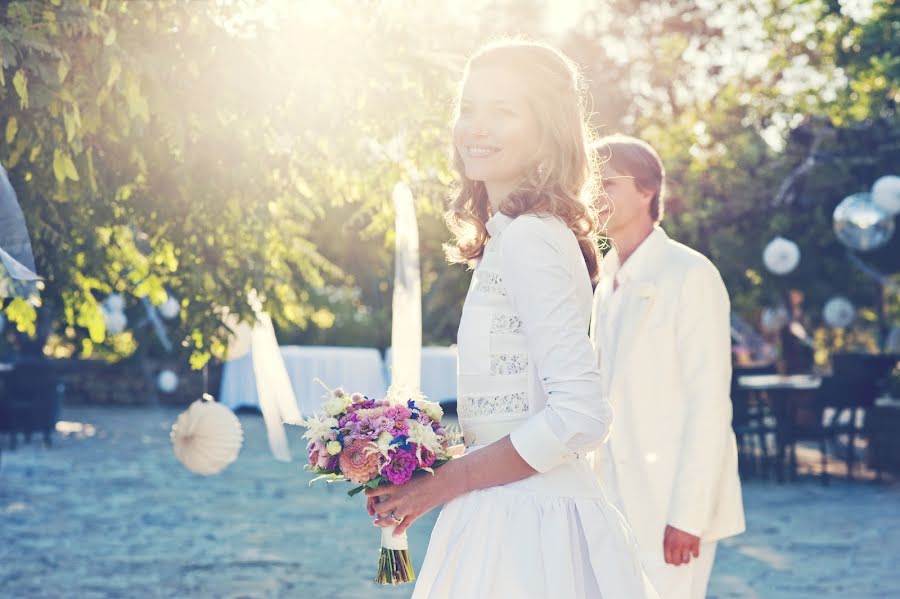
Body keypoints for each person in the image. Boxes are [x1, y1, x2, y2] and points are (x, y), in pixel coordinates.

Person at [364, 41, 658, 598]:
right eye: (469, 108)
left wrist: (446, 483)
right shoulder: (510, 237)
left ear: (546, 129)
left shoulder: (531, 239)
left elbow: (580, 414)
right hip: (501, 512)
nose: (477, 126)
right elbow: (518, 404)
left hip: (530, 532)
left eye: (504, 110)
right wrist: (415, 464)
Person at [589, 134, 745, 599]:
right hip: (610, 498)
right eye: (589, 184)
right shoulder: (604, 282)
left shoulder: (690, 274)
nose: (594, 196)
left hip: (670, 503)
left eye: (608, 184)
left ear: (647, 190)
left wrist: (688, 516)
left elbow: (709, 403)